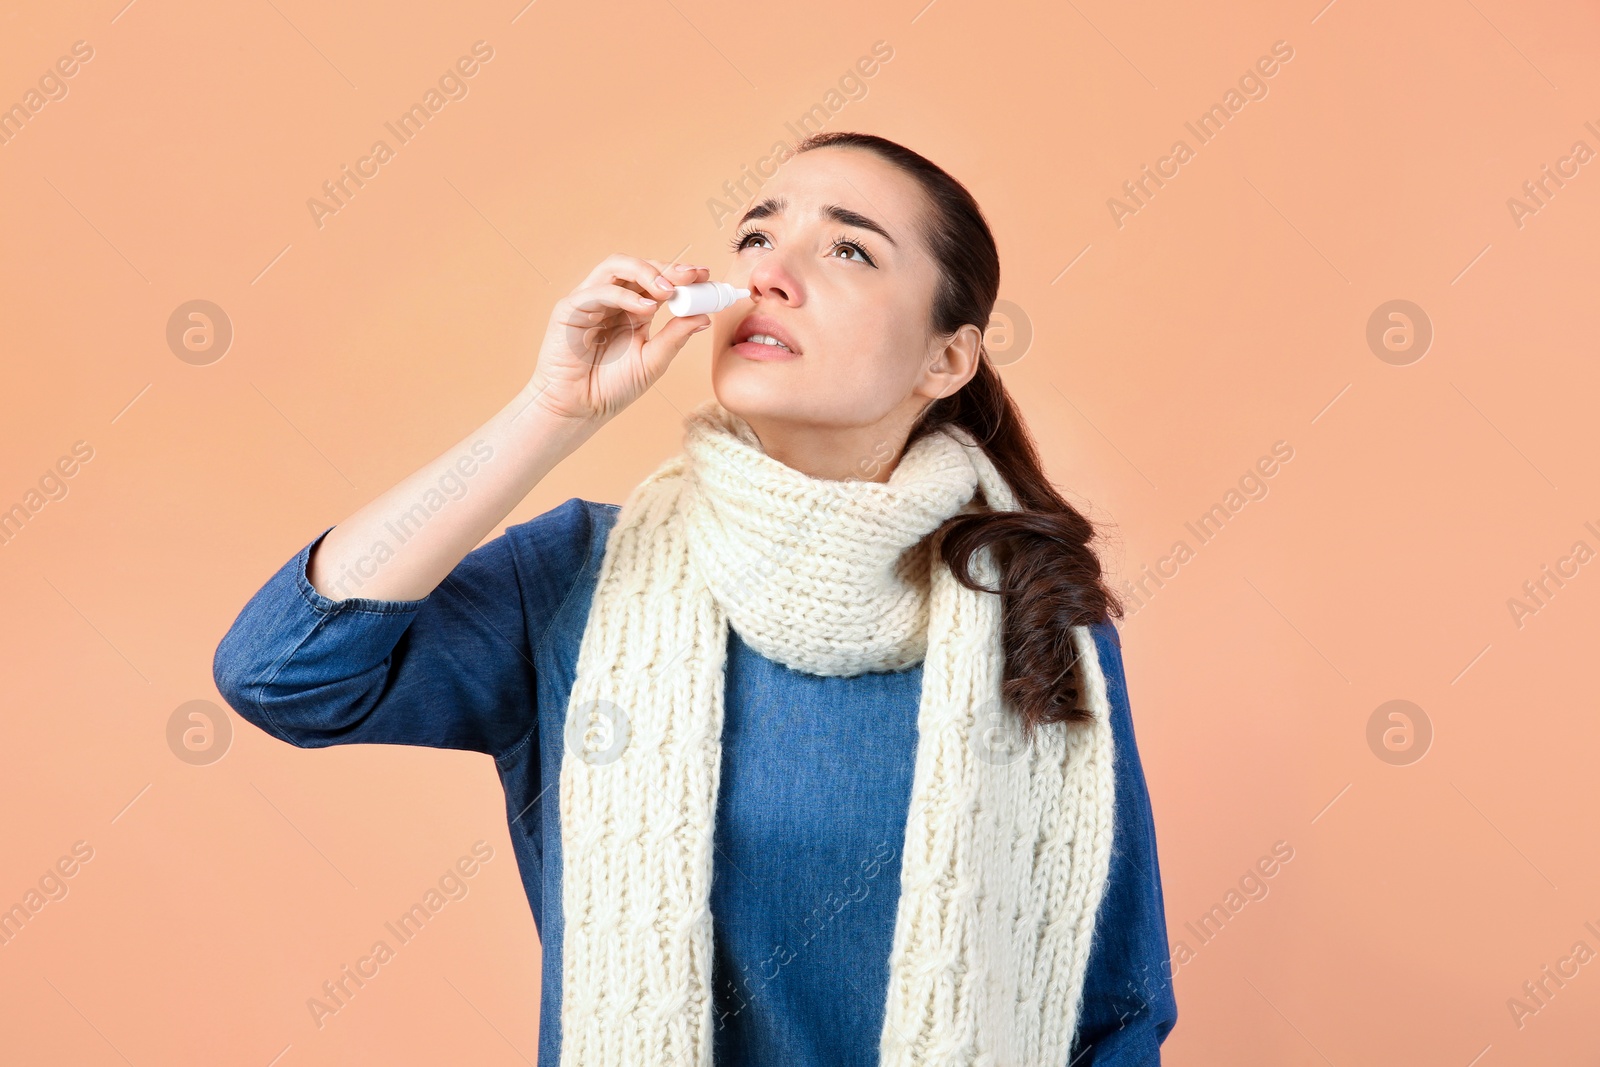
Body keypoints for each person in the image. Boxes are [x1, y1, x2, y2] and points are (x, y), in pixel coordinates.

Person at [213, 131, 1177, 1066]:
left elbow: (1117, 1010)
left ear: (948, 359)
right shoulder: (579, 576)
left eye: (847, 248)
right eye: (756, 236)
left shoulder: (1031, 608)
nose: (770, 272)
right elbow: (283, 672)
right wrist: (551, 412)